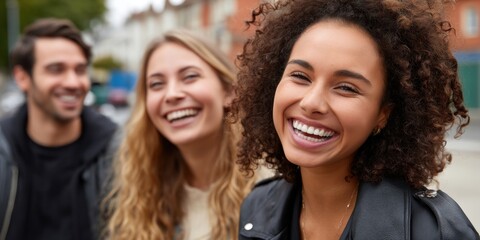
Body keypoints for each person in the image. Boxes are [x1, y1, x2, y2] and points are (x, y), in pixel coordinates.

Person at [233, 0, 480, 239]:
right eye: (300, 76)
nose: (311, 102)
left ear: (383, 115)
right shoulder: (256, 209)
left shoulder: (434, 231)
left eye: (346, 88)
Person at [103, 29, 255, 240]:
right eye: (156, 84)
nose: (172, 94)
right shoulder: (142, 190)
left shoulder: (273, 187)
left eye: (190, 77)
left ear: (229, 92)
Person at [0, 18, 120, 240]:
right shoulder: (4, 151)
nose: (73, 82)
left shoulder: (119, 154)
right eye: (56, 70)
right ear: (22, 77)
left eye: (80, 70)